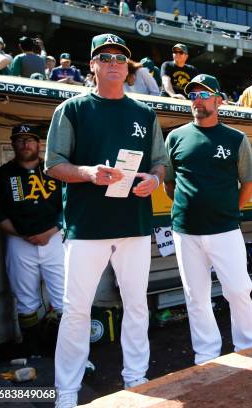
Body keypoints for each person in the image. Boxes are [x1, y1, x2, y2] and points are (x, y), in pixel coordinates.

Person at [45, 33, 168, 408]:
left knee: (136, 305)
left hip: (132, 222)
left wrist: (154, 179)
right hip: (87, 226)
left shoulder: (144, 113)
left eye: (120, 57)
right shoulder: (73, 109)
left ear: (127, 68)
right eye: (105, 56)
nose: (114, 61)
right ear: (93, 65)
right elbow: (53, 165)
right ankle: (67, 393)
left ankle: (136, 379)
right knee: (77, 309)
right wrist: (85, 171)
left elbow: (159, 162)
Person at [163, 74, 252, 365]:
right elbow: (169, 183)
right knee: (196, 296)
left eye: (204, 95)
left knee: (238, 289)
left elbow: (250, 183)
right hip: (185, 231)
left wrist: (227, 209)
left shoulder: (236, 138)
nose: (197, 100)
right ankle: (206, 354)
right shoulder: (175, 137)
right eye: (193, 95)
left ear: (219, 100)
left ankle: (247, 347)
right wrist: (190, 206)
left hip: (225, 229)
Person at [0, 125, 63, 357]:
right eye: (19, 140)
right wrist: (21, 234)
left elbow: (69, 206)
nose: (25, 144)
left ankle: (69, 351)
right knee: (26, 300)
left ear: (39, 143)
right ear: (12, 144)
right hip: (19, 242)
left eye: (29, 139)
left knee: (64, 297)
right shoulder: (1, 175)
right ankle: (32, 351)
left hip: (55, 240)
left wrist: (51, 231)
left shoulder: (55, 170)